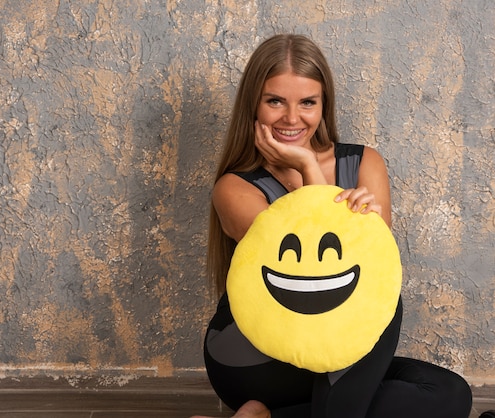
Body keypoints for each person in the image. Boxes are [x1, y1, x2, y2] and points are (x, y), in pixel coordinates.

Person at [193, 34, 473, 418]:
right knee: (383, 310)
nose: (292, 119)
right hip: (255, 357)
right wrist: (307, 165)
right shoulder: (234, 187)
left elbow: (376, 275)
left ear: (324, 106)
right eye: (275, 101)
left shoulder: (364, 163)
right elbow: (313, 263)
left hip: (335, 347)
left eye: (307, 102)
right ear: (253, 106)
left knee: (448, 392)